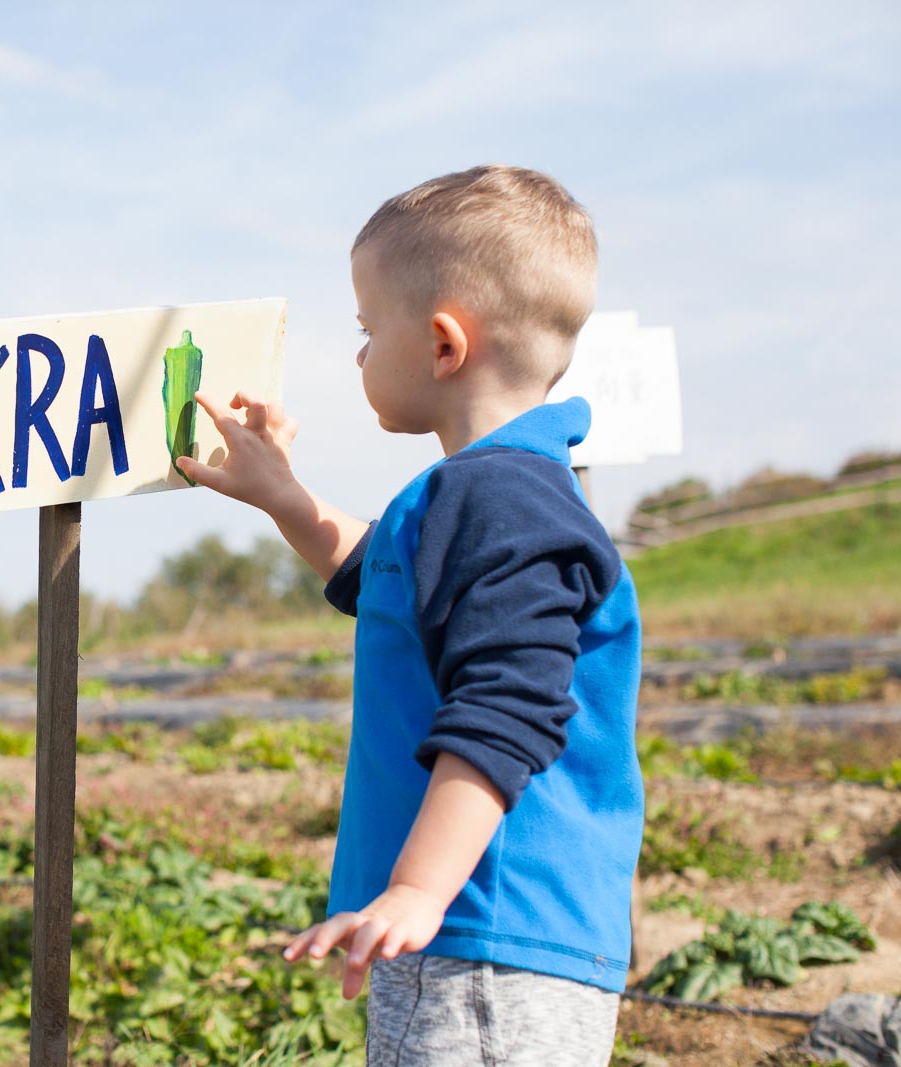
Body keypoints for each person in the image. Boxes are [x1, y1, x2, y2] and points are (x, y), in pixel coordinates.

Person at [175, 164, 641, 1065]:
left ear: (440, 344)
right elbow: (385, 574)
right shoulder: (487, 491)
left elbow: (507, 706)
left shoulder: (502, 498)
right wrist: (285, 497)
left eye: (364, 327)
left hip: (481, 935)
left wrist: (419, 890)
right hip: (471, 930)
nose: (356, 355)